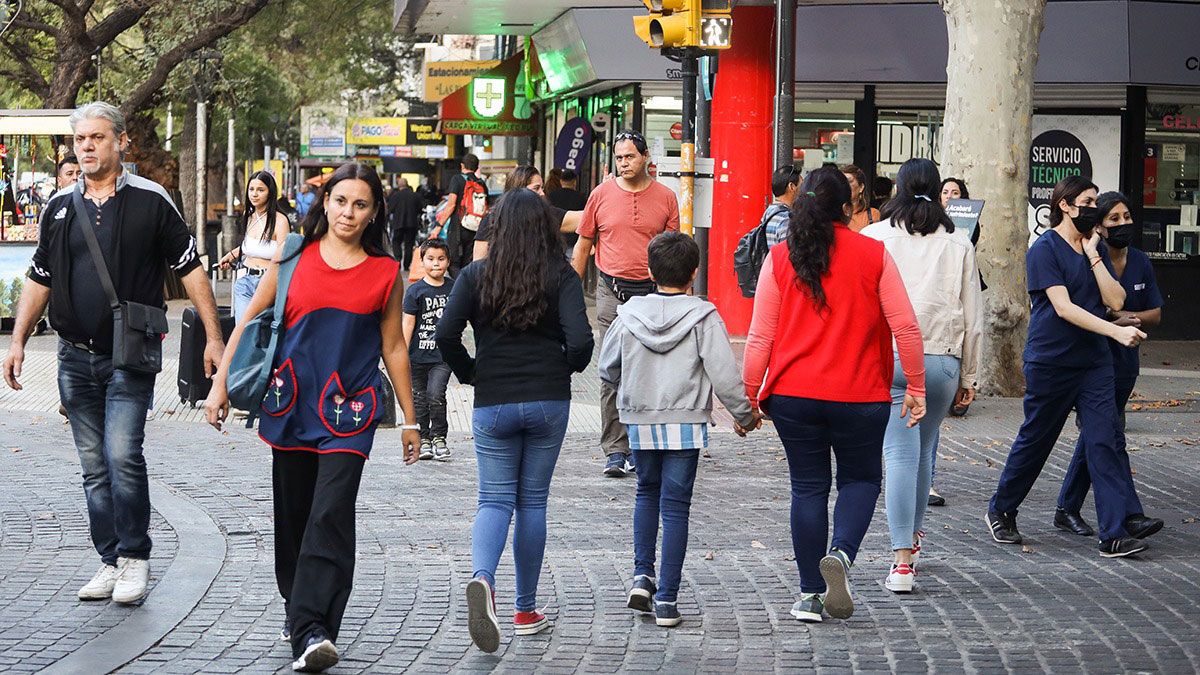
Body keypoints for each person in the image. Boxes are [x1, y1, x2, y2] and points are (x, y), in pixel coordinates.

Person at [2, 102, 226, 606]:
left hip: (130, 353)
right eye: (80, 139)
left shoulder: (152, 200)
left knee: (122, 454)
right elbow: (39, 278)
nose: (86, 147)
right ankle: (109, 560)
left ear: (122, 142)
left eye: (97, 138)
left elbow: (190, 270)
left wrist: (214, 338)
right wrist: (17, 340)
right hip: (73, 356)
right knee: (92, 463)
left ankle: (135, 558)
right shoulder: (59, 206)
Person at [204, 162, 421, 673]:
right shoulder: (295, 254)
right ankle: (299, 611)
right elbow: (251, 318)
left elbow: (393, 347)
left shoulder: (387, 272)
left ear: (374, 214)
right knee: (295, 517)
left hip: (352, 412)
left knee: (330, 513)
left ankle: (312, 629)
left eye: (361, 204)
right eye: (341, 201)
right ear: (325, 203)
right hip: (290, 402)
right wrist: (218, 385)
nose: (349, 212)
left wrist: (411, 421)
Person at [742, 166, 926, 623]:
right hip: (859, 394)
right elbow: (904, 325)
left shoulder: (782, 257)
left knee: (807, 488)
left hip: (793, 394)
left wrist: (748, 394)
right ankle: (841, 554)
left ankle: (808, 595)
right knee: (861, 481)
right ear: (849, 208)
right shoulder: (873, 254)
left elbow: (759, 337)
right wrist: (917, 386)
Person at [435, 189, 593, 653]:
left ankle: (483, 580)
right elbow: (581, 341)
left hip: (494, 399)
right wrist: (562, 367)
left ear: (497, 229)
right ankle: (525, 608)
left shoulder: (474, 275)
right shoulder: (560, 274)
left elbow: (446, 334)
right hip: (547, 400)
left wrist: (470, 373)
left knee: (494, 500)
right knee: (533, 503)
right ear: (545, 229)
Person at [599, 232, 761, 628]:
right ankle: (668, 600)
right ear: (694, 273)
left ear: (650, 272)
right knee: (676, 508)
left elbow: (607, 368)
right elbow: (723, 375)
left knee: (645, 494)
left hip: (639, 419)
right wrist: (744, 415)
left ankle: (642, 576)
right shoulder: (703, 316)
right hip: (685, 422)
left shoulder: (628, 315)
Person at [984, 176, 1151, 560]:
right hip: (1052, 362)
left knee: (1103, 439)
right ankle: (1001, 507)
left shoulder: (1095, 248)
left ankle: (1113, 533)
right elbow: (1063, 307)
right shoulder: (1044, 250)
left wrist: (1094, 255)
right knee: (1037, 439)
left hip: (1094, 362)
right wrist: (1114, 329)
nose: (1095, 209)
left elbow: (1116, 298)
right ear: (1065, 205)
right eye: (1088, 201)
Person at [861, 158, 982, 593]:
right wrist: (971, 376)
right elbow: (975, 316)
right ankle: (911, 539)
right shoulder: (959, 242)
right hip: (941, 361)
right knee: (924, 450)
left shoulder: (873, 237)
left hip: (888, 356)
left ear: (897, 186)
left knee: (898, 454)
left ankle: (901, 561)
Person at [1054, 191, 1164, 541]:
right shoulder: (1088, 257)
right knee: (1109, 437)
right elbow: (1084, 307)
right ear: (1098, 226)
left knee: (1099, 436)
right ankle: (1129, 515)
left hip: (1125, 364)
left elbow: (1155, 314)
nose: (1123, 224)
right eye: (1114, 218)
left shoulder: (1141, 261)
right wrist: (1114, 319)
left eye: (1127, 216)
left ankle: (1067, 507)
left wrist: (1128, 318)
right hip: (1094, 361)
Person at [572, 130, 680, 478]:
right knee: (612, 369)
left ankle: (641, 445)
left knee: (650, 370)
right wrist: (571, 293)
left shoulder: (666, 197)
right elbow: (584, 245)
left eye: (630, 157)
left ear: (646, 156)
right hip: (611, 292)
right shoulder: (601, 194)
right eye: (619, 158)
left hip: (652, 293)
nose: (624, 164)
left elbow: (674, 251)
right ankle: (615, 450)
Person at [404, 238, 454, 461]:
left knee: (436, 395)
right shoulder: (415, 291)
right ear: (422, 261)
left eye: (441, 259)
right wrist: (402, 354)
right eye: (431, 259)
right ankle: (424, 438)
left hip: (443, 357)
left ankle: (439, 437)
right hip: (417, 356)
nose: (436, 264)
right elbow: (408, 324)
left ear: (448, 261)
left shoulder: (455, 288)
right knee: (419, 398)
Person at [217, 171, 290, 323]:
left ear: (270, 192)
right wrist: (230, 255)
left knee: (262, 330)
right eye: (251, 189)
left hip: (267, 282)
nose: (254, 194)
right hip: (244, 280)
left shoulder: (280, 221)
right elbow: (249, 246)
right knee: (242, 329)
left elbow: (285, 257)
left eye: (260, 190)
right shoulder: (248, 217)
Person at [472, 165, 581, 260]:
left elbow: (582, 218)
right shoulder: (491, 220)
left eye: (542, 188)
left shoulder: (546, 214)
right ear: (519, 190)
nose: (542, 193)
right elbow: (477, 264)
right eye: (536, 188)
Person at [440, 153, 488, 272]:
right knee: (468, 264)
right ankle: (467, 288)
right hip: (476, 229)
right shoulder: (482, 184)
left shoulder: (457, 179)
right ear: (476, 168)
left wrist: (438, 226)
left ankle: (460, 288)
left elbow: (451, 205)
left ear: (462, 166)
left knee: (453, 264)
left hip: (459, 228)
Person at [547, 168, 588, 251]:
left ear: (561, 181)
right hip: (574, 241)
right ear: (574, 181)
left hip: (556, 240)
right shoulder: (581, 197)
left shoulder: (552, 195)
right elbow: (586, 218)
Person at [388, 177, 423, 268]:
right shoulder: (415, 195)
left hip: (398, 223)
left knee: (396, 241)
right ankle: (407, 265)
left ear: (399, 185)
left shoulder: (395, 196)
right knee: (409, 244)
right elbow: (420, 209)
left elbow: (390, 209)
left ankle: (398, 260)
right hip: (412, 223)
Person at [764, 164, 801, 247]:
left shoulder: (769, 212)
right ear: (791, 187)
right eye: (801, 185)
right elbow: (787, 254)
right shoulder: (786, 219)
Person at [841, 164, 880, 232]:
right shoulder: (833, 214)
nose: (844, 186)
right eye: (841, 182)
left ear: (861, 187)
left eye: (849, 182)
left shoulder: (873, 214)